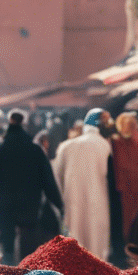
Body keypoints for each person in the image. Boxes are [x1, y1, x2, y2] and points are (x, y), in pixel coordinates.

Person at [0, 110, 63, 265]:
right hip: (30, 202)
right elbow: (47, 180)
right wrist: (58, 203)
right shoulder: (35, 150)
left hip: (7, 200)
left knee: (8, 245)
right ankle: (26, 273)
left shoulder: (1, 148)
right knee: (28, 242)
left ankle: (8, 273)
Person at [53, 108, 113, 260]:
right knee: (96, 242)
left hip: (72, 201)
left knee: (75, 239)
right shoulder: (105, 146)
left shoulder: (66, 146)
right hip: (99, 200)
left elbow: (57, 176)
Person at [111, 112, 138, 252]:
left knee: (126, 222)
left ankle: (125, 250)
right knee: (136, 223)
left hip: (123, 191)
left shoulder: (116, 142)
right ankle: (134, 251)